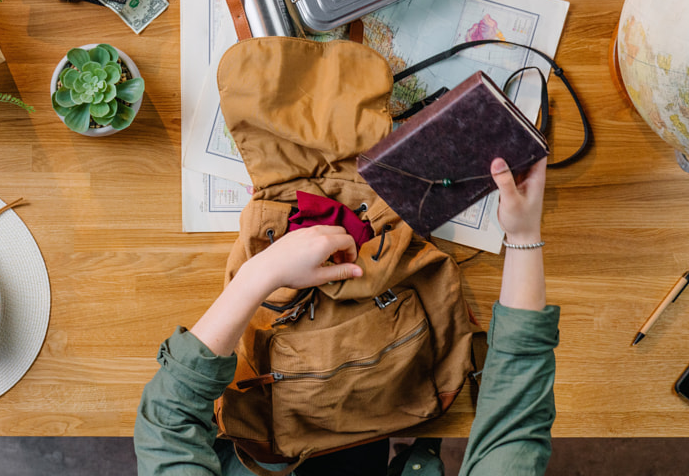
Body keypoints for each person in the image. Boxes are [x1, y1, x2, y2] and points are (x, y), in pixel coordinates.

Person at [135, 157, 559, 475]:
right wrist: (522, 235)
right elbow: (515, 415)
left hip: (264, 446)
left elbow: (170, 424)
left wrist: (260, 274)